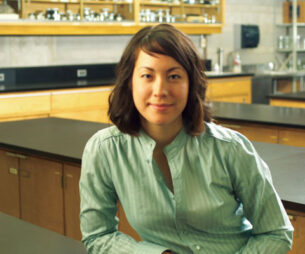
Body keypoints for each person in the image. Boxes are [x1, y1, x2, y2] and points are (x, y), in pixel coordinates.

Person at [79, 24, 293, 254]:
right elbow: (98, 235)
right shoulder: (105, 150)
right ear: (130, 82)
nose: (160, 90)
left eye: (174, 76)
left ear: (191, 84)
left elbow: (276, 233)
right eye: (147, 76)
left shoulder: (230, 148)